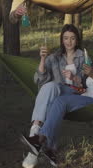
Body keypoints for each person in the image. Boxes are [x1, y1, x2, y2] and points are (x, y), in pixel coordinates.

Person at [20, 33, 93, 167]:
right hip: (80, 93)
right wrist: (75, 78)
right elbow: (83, 84)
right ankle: (37, 132)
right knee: (50, 87)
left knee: (60, 102)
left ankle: (40, 140)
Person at [22, 24, 85, 168]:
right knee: (51, 89)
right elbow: (39, 80)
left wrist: (75, 77)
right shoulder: (54, 57)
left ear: (77, 40)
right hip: (56, 92)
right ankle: (42, 140)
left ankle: (36, 142)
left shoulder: (82, 56)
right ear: (62, 39)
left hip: (74, 94)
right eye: (66, 38)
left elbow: (87, 83)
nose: (69, 42)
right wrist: (43, 59)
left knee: (53, 91)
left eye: (73, 38)